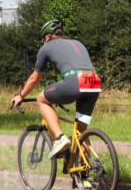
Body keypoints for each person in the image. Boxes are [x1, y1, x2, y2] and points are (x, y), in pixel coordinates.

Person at [10, 19, 101, 159]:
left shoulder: (46, 47)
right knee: (81, 132)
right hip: (93, 82)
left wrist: (21, 95)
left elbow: (35, 78)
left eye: (43, 39)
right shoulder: (78, 43)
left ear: (46, 37)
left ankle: (60, 139)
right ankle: (84, 176)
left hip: (74, 81)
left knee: (41, 99)